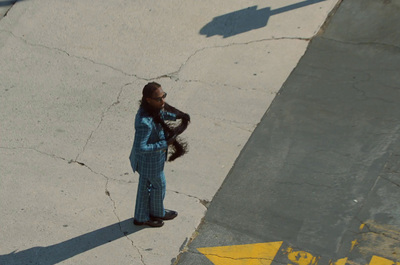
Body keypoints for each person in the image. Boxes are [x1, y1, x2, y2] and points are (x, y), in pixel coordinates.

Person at [129, 82, 190, 227]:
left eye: (164, 96)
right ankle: (157, 212)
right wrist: (164, 144)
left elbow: (161, 114)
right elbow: (141, 147)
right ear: (148, 100)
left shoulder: (151, 109)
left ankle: (141, 217)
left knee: (144, 187)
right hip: (150, 163)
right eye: (159, 99)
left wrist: (177, 117)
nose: (163, 101)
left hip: (147, 162)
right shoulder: (144, 123)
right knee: (159, 186)